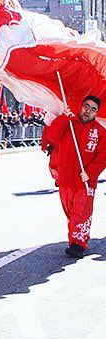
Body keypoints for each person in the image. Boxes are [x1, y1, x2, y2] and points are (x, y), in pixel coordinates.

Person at [41, 94, 106, 258]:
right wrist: (63, 117)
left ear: (96, 113)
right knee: (70, 211)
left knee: (82, 211)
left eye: (93, 109)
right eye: (87, 106)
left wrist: (90, 173)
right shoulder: (68, 123)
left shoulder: (99, 132)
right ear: (81, 106)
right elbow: (52, 136)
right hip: (65, 179)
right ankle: (75, 235)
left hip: (86, 181)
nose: (88, 111)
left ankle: (78, 243)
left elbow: (103, 156)